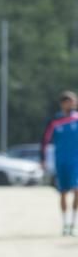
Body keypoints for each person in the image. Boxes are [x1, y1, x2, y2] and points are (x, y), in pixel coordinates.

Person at [41, 90, 78, 236]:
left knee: (77, 190)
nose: (71, 103)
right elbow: (44, 141)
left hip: (76, 161)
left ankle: (73, 224)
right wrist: (43, 159)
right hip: (61, 161)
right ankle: (64, 223)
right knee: (63, 193)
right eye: (67, 101)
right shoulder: (55, 121)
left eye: (73, 101)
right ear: (62, 103)